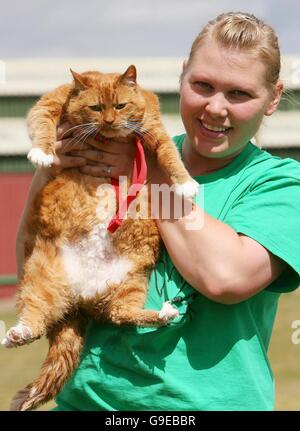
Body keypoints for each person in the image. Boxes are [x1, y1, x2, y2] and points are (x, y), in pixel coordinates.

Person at [16, 12, 300, 411]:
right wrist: (50, 173)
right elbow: (39, 259)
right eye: (203, 85)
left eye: (239, 94)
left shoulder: (281, 182)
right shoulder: (106, 149)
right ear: (182, 76)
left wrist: (143, 174)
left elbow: (225, 277)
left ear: (273, 98)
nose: (216, 108)